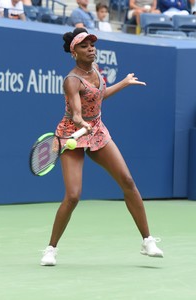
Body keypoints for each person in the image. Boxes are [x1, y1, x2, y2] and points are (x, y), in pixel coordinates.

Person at [41, 27, 164, 266]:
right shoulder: (71, 80)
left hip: (97, 130)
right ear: (73, 52)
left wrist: (124, 83)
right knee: (74, 195)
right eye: (84, 46)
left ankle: (147, 240)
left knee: (127, 181)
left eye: (92, 45)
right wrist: (81, 124)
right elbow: (76, 113)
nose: (91, 49)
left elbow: (99, 95)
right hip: (72, 135)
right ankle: (50, 249)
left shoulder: (96, 71)